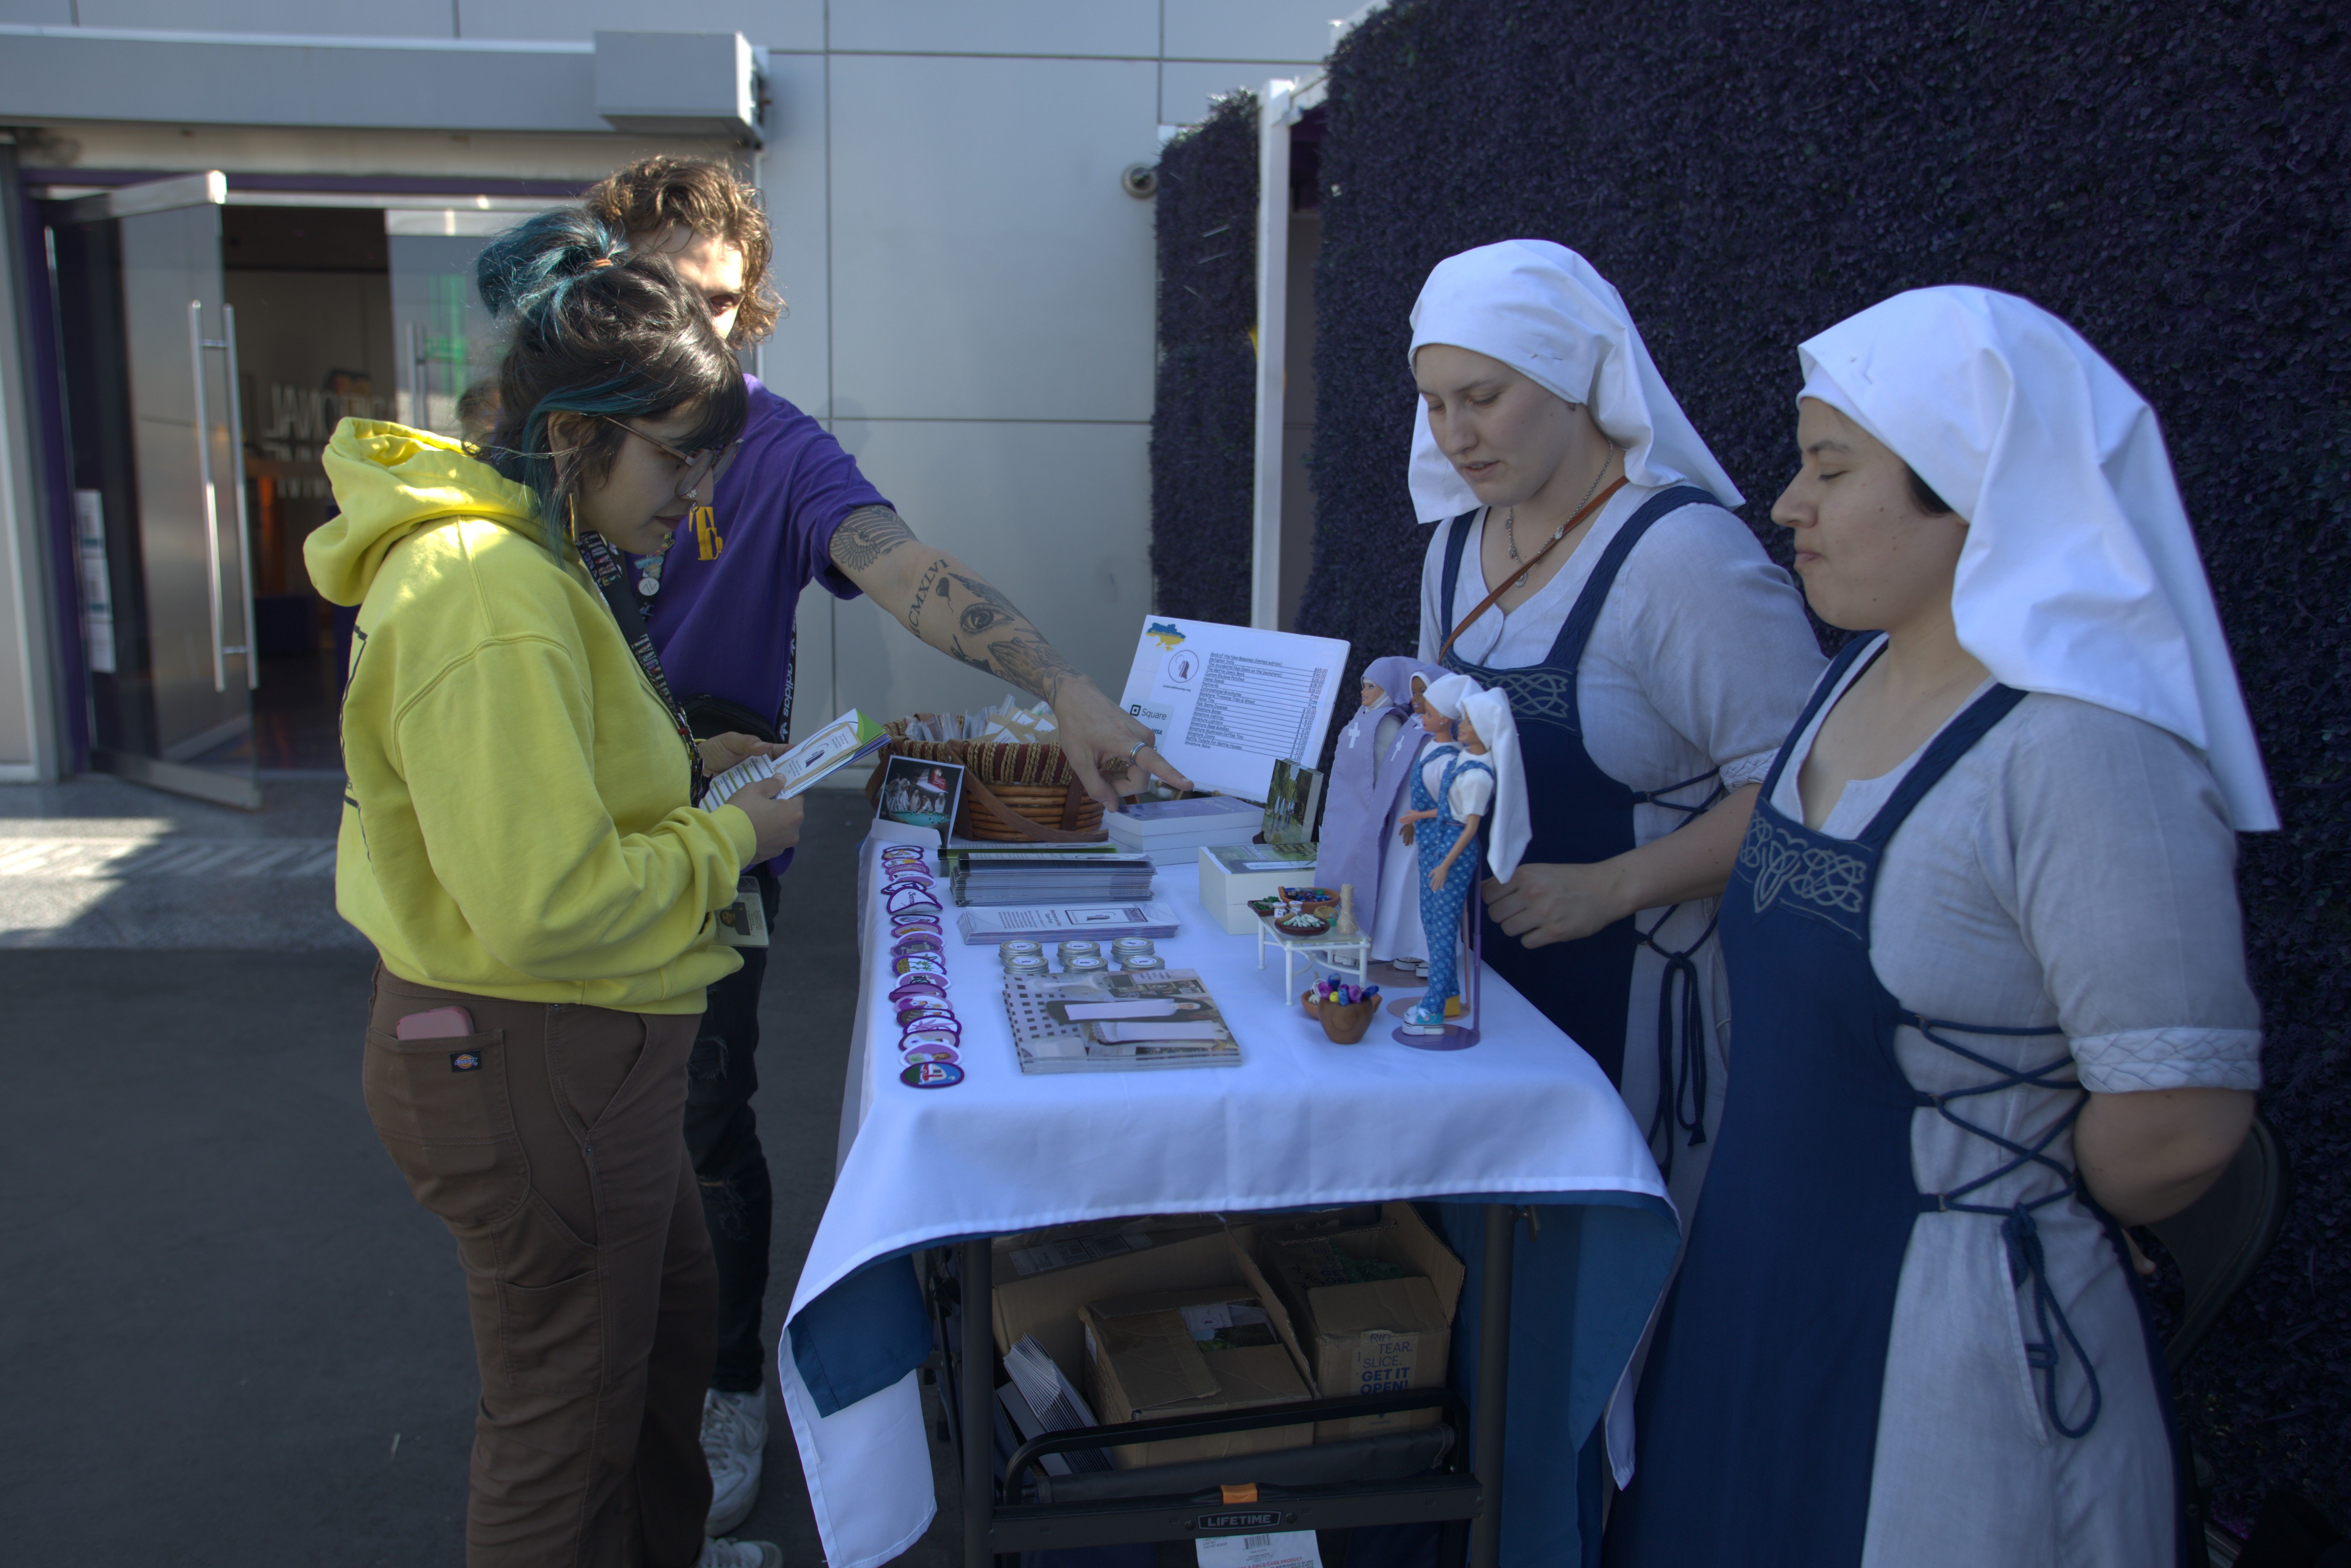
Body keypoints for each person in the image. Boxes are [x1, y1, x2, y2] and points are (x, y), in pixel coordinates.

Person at [1608, 286, 2270, 1568]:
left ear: (1974, 493)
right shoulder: (1857, 670)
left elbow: (2181, 1124)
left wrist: (2003, 1173)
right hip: (1758, 1280)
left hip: (1952, 1350)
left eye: (1829, 468)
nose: (1788, 503)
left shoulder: (2087, 751)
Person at [581, 157, 1189, 1531]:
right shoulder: (545, 443)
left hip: (718, 860)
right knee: (567, 1151)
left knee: (700, 1131)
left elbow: (905, 567)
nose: (701, 324)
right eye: (664, 290)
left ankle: (725, 1382)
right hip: (561, 845)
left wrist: (1065, 687)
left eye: (723, 299)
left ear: (754, 309)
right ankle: (590, 1399)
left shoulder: (778, 448)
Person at [310, 211, 801, 1567]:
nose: (694, 492)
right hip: (532, 1052)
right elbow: (544, 898)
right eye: (678, 455)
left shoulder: (529, 556)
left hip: (575, 1058)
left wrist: (689, 763)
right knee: (561, 1418)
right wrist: (732, 837)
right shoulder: (489, 591)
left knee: (650, 1351)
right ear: (579, 429)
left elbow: (543, 779)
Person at [1406, 239, 1828, 1559]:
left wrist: (1616, 885)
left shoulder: (1684, 563)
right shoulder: (1455, 551)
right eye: (1433, 401)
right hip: (1494, 1010)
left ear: (1580, 378)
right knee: (1492, 1320)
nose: (1455, 431)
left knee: (1606, 1333)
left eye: (1486, 395)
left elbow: (1807, 792)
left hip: (1645, 1024)